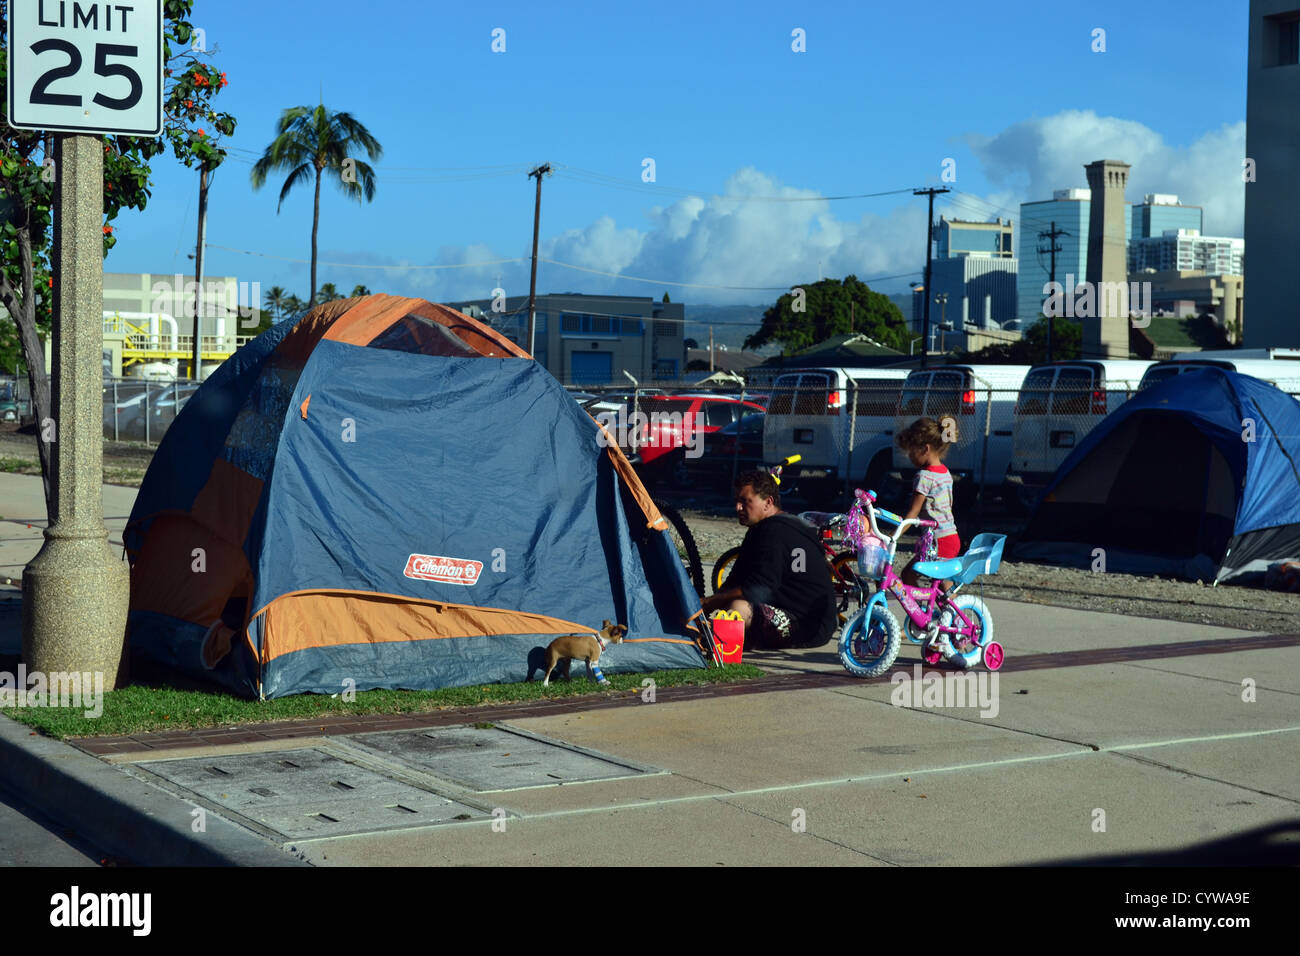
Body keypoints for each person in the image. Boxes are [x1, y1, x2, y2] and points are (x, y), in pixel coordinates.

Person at [701, 469, 837, 648]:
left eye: (745, 501)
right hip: (804, 618)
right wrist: (705, 605)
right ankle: (720, 635)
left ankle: (720, 641)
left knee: (738, 608)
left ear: (768, 502)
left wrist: (711, 603)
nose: (738, 508)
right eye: (737, 501)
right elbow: (737, 578)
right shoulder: (763, 528)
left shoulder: (775, 532)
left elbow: (758, 587)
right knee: (731, 608)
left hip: (807, 626)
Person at [896, 416, 963, 659]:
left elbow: (912, 514)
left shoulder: (924, 477)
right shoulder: (944, 472)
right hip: (949, 536)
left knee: (912, 578)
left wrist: (892, 536)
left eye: (911, 452)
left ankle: (943, 625)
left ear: (925, 448)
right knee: (939, 587)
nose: (909, 457)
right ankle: (935, 620)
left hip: (938, 541)